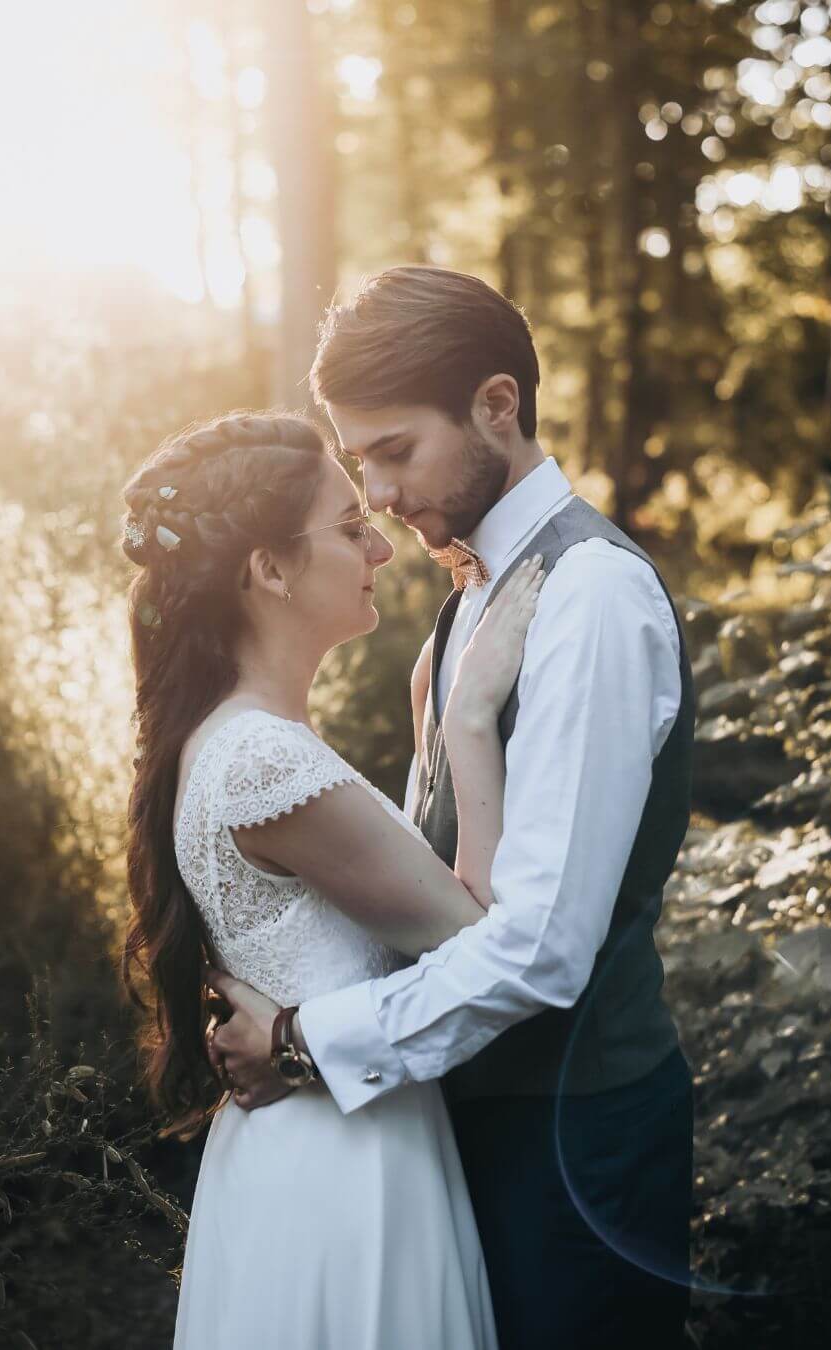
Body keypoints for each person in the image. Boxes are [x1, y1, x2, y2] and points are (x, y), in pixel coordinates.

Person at [206, 266, 697, 1350]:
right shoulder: (472, 595)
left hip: (576, 1141)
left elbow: (541, 950)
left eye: (394, 451)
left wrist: (303, 1040)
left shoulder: (591, 598)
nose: (374, 493)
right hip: (471, 1125)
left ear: (495, 406)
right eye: (358, 459)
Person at [119, 410, 547, 1350]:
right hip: (347, 1168)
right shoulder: (265, 763)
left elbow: (357, 915)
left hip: (320, 1146)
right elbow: (482, 939)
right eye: (350, 525)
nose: (381, 547)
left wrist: (429, 719)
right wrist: (471, 720)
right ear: (267, 569)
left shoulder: (237, 742)